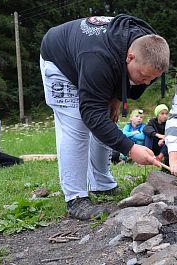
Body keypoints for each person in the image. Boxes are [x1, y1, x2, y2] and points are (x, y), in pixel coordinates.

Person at [40, 15, 169, 220]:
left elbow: (126, 76)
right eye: (144, 77)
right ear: (130, 57)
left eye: (153, 79)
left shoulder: (149, 48)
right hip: (61, 60)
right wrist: (130, 148)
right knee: (78, 125)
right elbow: (91, 112)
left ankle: (101, 184)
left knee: (108, 119)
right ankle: (76, 198)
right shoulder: (97, 58)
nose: (147, 82)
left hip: (96, 63)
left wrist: (117, 98)